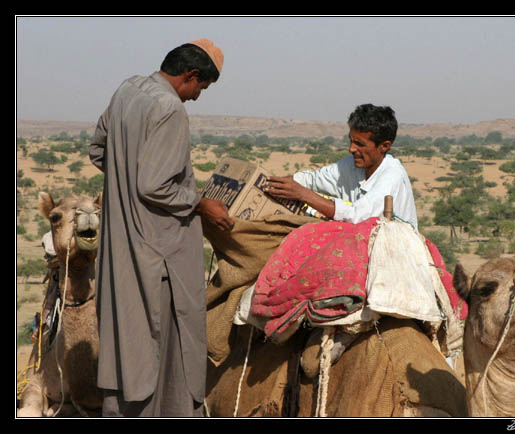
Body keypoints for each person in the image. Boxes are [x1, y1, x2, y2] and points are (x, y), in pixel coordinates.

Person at [89, 38, 233, 417]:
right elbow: (154, 185)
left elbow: (99, 150)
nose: (197, 97)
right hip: (159, 256)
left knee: (128, 343)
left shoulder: (128, 89)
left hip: (121, 246)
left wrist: (124, 188)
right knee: (165, 346)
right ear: (191, 75)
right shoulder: (170, 108)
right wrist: (202, 204)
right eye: (201, 88)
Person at [266, 103, 418, 230]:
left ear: (384, 146)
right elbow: (312, 180)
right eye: (351, 141)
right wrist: (267, 184)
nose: (351, 149)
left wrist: (303, 194)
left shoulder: (392, 176)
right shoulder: (351, 165)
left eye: (359, 144)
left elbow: (357, 216)